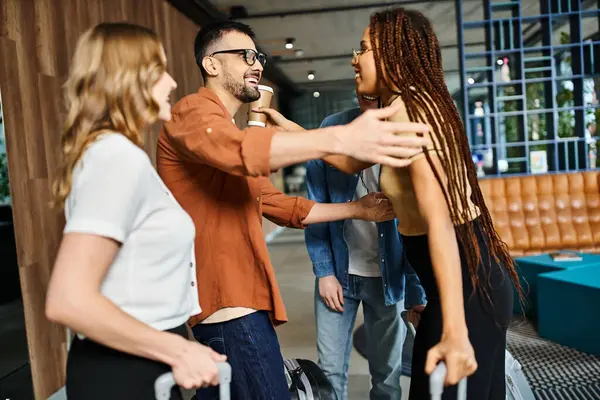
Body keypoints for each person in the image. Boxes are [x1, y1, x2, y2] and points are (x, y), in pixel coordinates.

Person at [156, 20, 431, 400]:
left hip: (243, 302)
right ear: (212, 65)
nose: (257, 65)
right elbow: (243, 153)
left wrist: (358, 210)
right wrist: (339, 137)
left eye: (259, 57)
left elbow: (277, 204)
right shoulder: (193, 111)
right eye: (245, 55)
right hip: (227, 305)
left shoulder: (223, 130)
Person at [319, 8, 525, 400]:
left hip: (469, 286)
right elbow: (347, 159)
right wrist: (280, 129)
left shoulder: (410, 111)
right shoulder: (402, 107)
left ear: (393, 54)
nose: (353, 58)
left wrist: (455, 329)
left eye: (362, 49)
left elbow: (441, 223)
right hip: (462, 283)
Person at [45, 23, 226, 400]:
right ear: (129, 79)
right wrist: (180, 350)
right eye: (159, 70)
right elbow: (68, 299)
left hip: (139, 359)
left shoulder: (113, 154)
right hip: (126, 371)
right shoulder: (116, 157)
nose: (172, 82)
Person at [304, 91, 427, 400]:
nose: (365, 94)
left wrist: (416, 293)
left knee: (388, 375)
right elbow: (314, 207)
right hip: (339, 275)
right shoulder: (333, 128)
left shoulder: (405, 135)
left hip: (389, 278)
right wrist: (324, 272)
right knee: (330, 371)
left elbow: (415, 224)